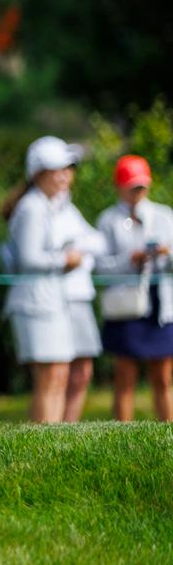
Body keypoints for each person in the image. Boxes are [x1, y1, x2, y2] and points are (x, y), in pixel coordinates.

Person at [5, 136, 102, 423]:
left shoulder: (46, 205)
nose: (62, 176)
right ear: (38, 174)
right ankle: (44, 439)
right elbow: (28, 258)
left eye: (65, 169)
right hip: (35, 302)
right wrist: (64, 259)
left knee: (59, 374)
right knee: (50, 377)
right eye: (54, 170)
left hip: (49, 299)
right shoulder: (32, 207)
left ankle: (55, 439)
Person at [95, 155, 173, 422]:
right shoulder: (108, 220)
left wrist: (165, 255)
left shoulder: (164, 216)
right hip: (125, 303)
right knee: (124, 375)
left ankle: (167, 430)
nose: (138, 192)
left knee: (163, 375)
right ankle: (122, 432)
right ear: (119, 187)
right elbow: (100, 266)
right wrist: (130, 260)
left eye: (141, 187)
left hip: (161, 303)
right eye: (132, 187)